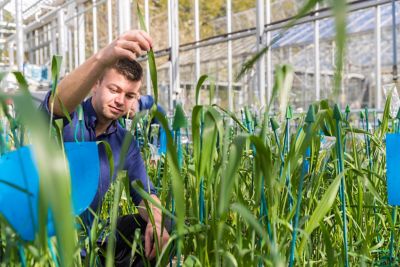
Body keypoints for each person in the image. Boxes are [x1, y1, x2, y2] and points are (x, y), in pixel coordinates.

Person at [40, 30, 169, 266]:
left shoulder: (124, 141)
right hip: (43, 243)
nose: (121, 101)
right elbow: (56, 106)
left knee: (162, 224)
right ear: (95, 85)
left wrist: (157, 222)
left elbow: (143, 191)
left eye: (129, 95)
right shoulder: (67, 119)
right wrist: (102, 58)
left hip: (86, 246)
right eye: (114, 90)